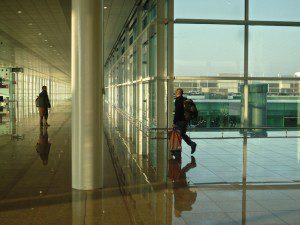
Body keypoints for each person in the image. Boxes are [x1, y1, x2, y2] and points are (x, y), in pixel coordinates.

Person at [168, 152, 197, 217]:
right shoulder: (179, 207)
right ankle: (192, 164)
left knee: (182, 172)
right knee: (181, 172)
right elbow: (178, 197)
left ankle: (192, 164)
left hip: (179, 187)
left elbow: (177, 197)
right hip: (180, 187)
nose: (175, 212)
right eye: (176, 213)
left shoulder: (179, 207)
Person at [173, 88, 197, 154]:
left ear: (177, 93)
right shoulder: (185, 99)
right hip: (185, 120)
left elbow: (177, 112)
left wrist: (174, 122)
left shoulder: (178, 100)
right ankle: (178, 148)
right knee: (182, 134)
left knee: (179, 134)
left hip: (180, 120)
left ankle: (190, 144)